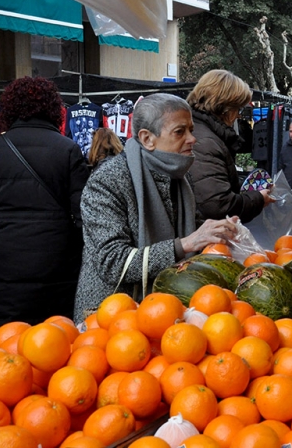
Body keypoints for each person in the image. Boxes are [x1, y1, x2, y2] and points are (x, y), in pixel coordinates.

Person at [74, 94, 239, 323]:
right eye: (180, 132)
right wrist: (186, 244)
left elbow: (191, 225)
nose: (192, 139)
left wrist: (218, 231)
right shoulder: (107, 180)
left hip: (166, 311)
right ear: (147, 139)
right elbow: (113, 262)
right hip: (112, 317)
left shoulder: (180, 175)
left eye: (191, 130)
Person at [0, 77, 90, 325]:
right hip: (57, 265)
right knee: (55, 345)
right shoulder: (68, 149)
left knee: (10, 349)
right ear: (53, 108)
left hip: (5, 262)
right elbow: (84, 212)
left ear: (9, 108)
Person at [187, 70, 272, 223]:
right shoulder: (206, 142)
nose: (238, 115)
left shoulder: (203, 133)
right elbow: (217, 206)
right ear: (224, 108)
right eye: (238, 109)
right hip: (206, 241)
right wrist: (258, 199)